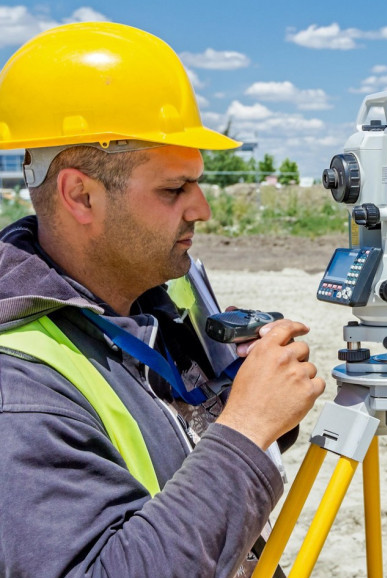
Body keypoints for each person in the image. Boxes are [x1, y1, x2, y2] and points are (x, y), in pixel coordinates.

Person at [0, 22, 325, 577]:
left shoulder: (144, 297)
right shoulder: (19, 388)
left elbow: (167, 446)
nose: (201, 209)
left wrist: (242, 400)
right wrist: (245, 429)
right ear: (81, 194)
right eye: (174, 189)